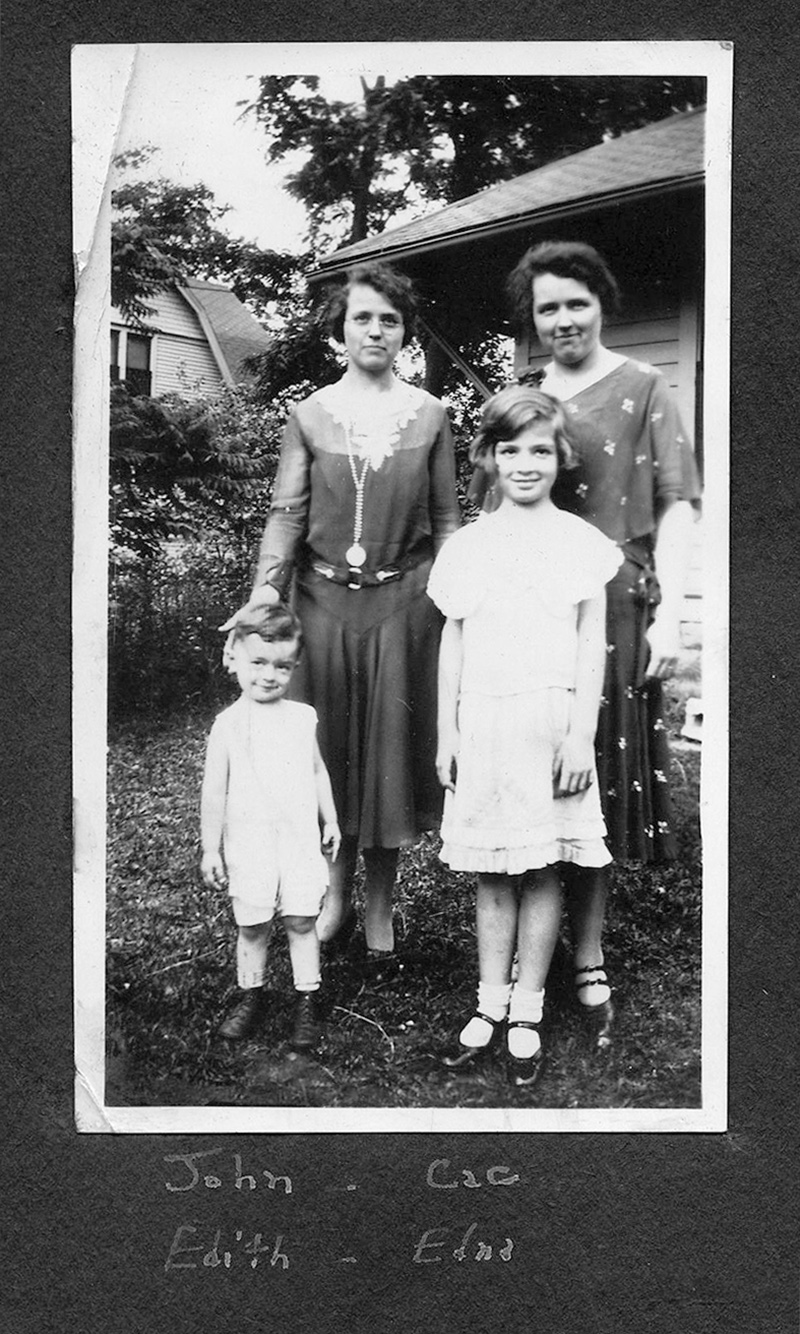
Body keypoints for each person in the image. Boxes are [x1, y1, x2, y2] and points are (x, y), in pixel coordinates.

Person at [226, 262, 460, 972]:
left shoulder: (431, 415)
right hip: (321, 603)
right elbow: (286, 513)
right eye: (363, 317)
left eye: (389, 319)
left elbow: (449, 519)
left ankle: (381, 901)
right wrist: (266, 594)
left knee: (389, 754)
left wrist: (459, 605)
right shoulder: (309, 415)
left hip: (404, 604)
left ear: (404, 332)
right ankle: (332, 898)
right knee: (324, 754)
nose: (376, 329)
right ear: (340, 329)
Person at [503, 239, 701, 1044]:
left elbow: (678, 503)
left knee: (599, 785)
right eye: (547, 308)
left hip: (618, 609)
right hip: (534, 611)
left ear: (601, 304)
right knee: (536, 772)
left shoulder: (646, 387)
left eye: (574, 303)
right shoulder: (526, 401)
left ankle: (586, 957)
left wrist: (670, 613)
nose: (562, 320)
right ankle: (528, 956)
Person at [428, 385, 622, 1088]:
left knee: (541, 866)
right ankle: (489, 1001)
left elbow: (590, 641)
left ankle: (529, 1007)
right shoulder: (469, 548)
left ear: (560, 456)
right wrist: (446, 728)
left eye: (541, 449)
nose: (527, 462)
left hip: (549, 725)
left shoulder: (580, 545)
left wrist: (580, 734)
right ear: (489, 456)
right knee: (492, 871)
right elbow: (452, 640)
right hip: (483, 721)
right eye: (511, 449)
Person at [201, 604, 341, 1048]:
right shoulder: (227, 726)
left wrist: (331, 818)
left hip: (298, 841)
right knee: (253, 924)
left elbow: (318, 771)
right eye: (258, 662)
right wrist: (210, 848)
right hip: (250, 843)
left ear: (295, 666)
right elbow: (214, 791)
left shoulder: (302, 718)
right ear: (234, 659)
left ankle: (307, 999)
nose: (268, 675)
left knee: (302, 920)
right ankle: (252, 994)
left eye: (282, 666)